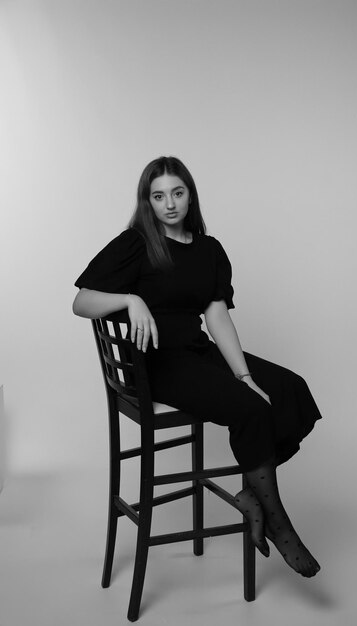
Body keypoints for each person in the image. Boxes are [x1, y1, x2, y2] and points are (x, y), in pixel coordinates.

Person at [73, 156, 322, 578]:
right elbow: (82, 302)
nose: (169, 203)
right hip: (158, 364)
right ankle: (279, 524)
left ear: (190, 195)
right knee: (251, 409)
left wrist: (244, 375)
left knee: (288, 389)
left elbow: (217, 316)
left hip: (196, 351)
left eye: (177, 192)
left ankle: (250, 494)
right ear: (147, 202)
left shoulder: (209, 250)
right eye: (158, 196)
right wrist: (130, 299)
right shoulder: (135, 243)